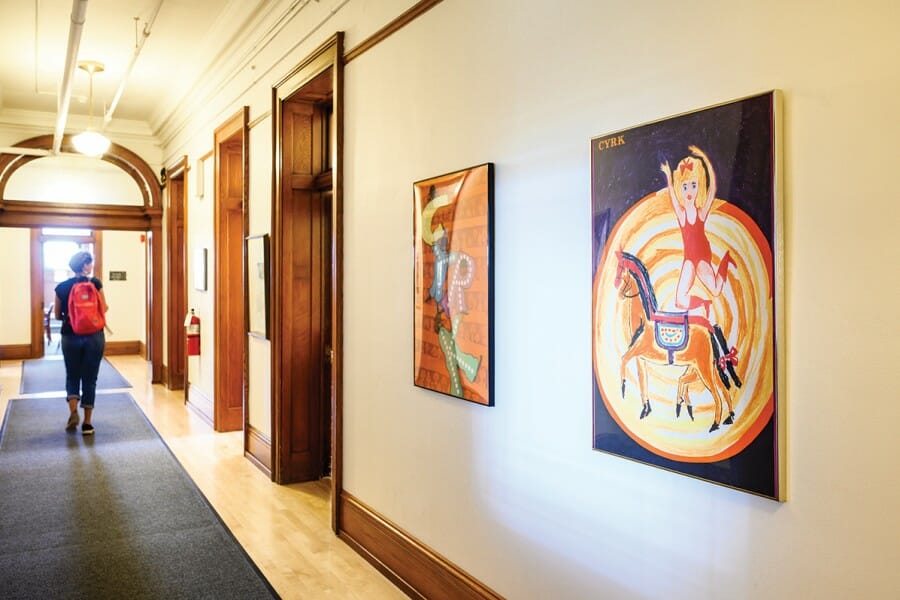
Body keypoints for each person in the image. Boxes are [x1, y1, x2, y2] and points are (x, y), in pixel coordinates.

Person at [660, 145, 735, 315]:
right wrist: (668, 177)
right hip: (689, 259)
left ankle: (725, 260)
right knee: (679, 301)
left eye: (693, 185)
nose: (689, 191)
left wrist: (706, 160)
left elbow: (712, 190)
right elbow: (672, 195)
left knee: (716, 289)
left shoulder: (701, 213)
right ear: (681, 187)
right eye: (685, 186)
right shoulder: (681, 213)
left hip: (702, 257)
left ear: (699, 186)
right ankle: (704, 303)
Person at [54, 251, 108, 435]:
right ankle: (87, 423)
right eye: (90, 262)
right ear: (85, 265)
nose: (91, 265)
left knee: (72, 375)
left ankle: (73, 411)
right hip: (94, 335)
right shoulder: (96, 284)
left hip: (70, 335)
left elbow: (56, 315)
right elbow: (104, 308)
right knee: (90, 378)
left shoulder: (61, 287)